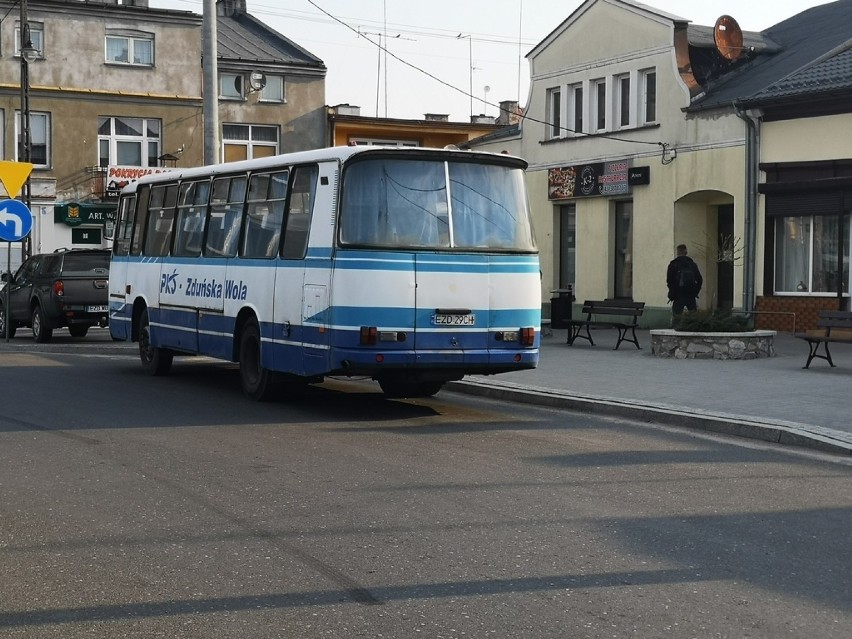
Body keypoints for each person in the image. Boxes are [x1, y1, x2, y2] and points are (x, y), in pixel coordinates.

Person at [666, 244, 703, 319]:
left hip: (678, 295)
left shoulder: (673, 264)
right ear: (686, 252)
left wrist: (672, 293)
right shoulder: (692, 264)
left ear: (678, 252)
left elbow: (669, 281)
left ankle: (676, 328)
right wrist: (695, 292)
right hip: (691, 295)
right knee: (693, 319)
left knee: (676, 317)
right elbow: (699, 279)